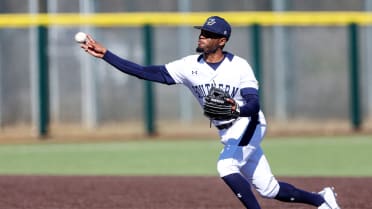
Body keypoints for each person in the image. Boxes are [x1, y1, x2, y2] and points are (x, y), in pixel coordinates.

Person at [80, 16, 341, 209]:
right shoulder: (188, 66)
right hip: (227, 133)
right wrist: (107, 55)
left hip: (249, 124)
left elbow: (254, 104)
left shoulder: (239, 67)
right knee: (269, 188)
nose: (202, 35)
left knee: (226, 166)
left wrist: (236, 107)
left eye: (208, 33)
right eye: (202, 31)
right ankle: (323, 200)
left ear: (222, 40)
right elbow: (145, 71)